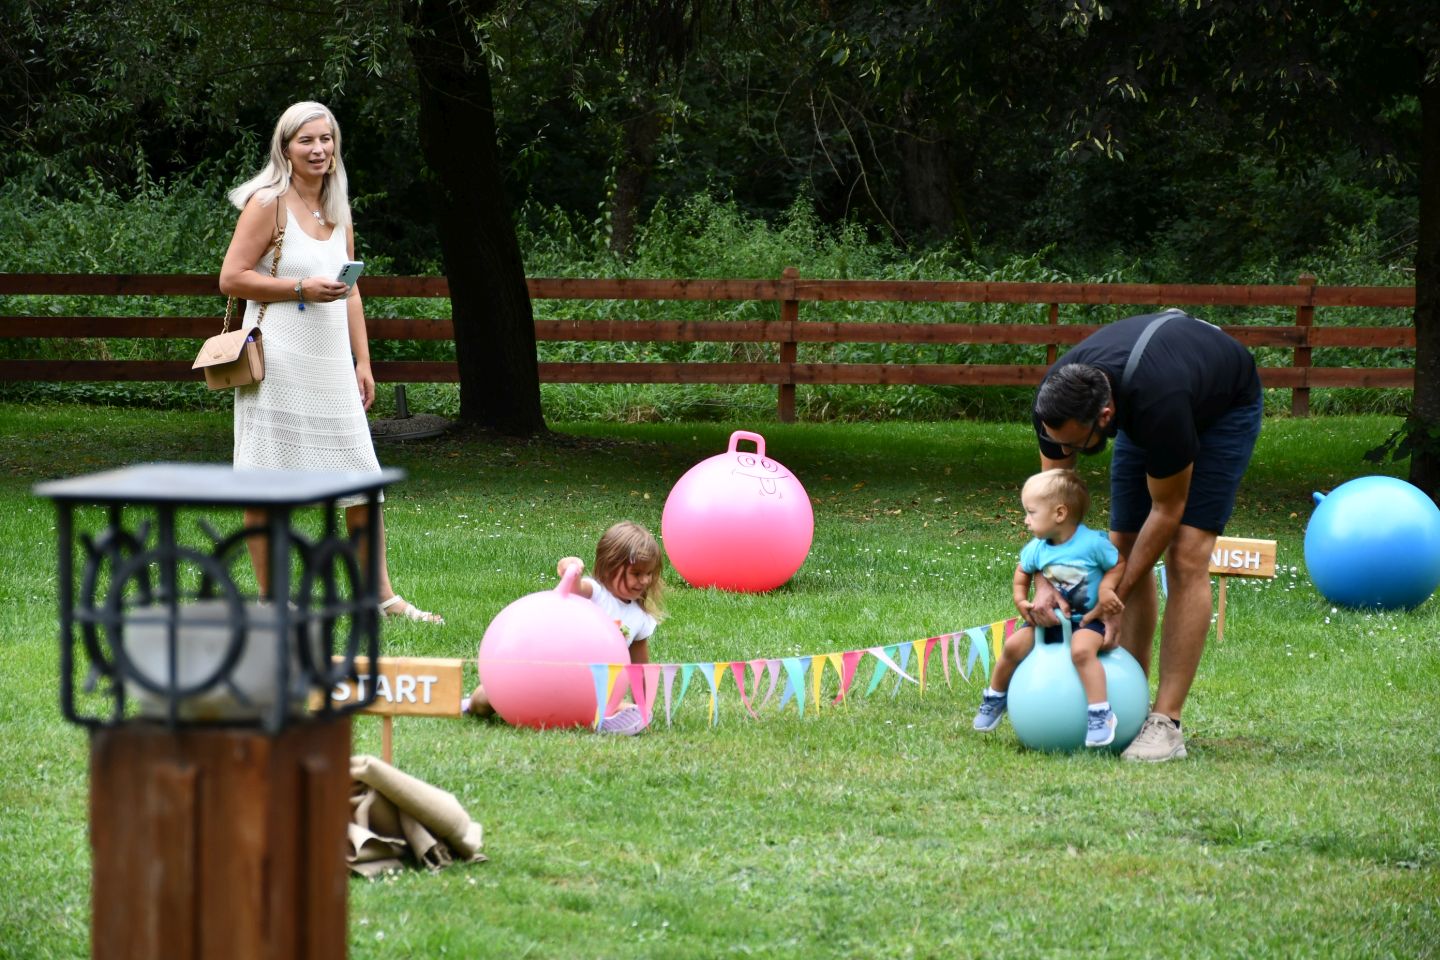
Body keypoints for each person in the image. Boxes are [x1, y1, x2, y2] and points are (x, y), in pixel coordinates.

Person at [218, 101, 442, 624]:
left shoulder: (337, 207)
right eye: (306, 141)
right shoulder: (266, 203)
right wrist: (298, 286)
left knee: (360, 479)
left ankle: (380, 598)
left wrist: (363, 362)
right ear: (285, 148)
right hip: (276, 363)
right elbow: (231, 278)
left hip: (330, 365)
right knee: (269, 483)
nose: (318, 150)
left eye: (326, 139)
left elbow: (351, 293)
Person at [1030, 308, 1262, 762]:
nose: (1066, 452)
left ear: (1105, 415)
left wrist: (1113, 593)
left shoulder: (1160, 404)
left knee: (1187, 556)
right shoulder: (1055, 406)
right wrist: (1048, 578)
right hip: (1150, 392)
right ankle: (1128, 696)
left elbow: (1168, 508)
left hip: (1221, 407)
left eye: (1075, 446)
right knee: (1120, 548)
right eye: (1060, 443)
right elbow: (1053, 507)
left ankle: (1165, 723)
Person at [973, 469, 1125, 747]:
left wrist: (1106, 590)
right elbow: (1022, 574)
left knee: (1081, 651)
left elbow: (1118, 564)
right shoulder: (1037, 548)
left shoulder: (1092, 544)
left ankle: (1100, 713)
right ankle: (995, 696)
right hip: (1047, 621)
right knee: (1012, 647)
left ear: (1059, 514)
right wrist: (1021, 600)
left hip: (1086, 620)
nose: (1025, 520)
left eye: (1031, 512)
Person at [468, 521, 667, 735]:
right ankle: (470, 705)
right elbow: (574, 588)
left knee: (620, 708)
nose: (645, 580)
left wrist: (645, 708)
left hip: (586, 691)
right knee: (484, 700)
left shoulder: (639, 618)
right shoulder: (596, 592)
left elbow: (639, 669)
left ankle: (604, 718)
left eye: (649, 573)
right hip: (543, 671)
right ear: (610, 567)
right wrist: (570, 568)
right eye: (637, 574)